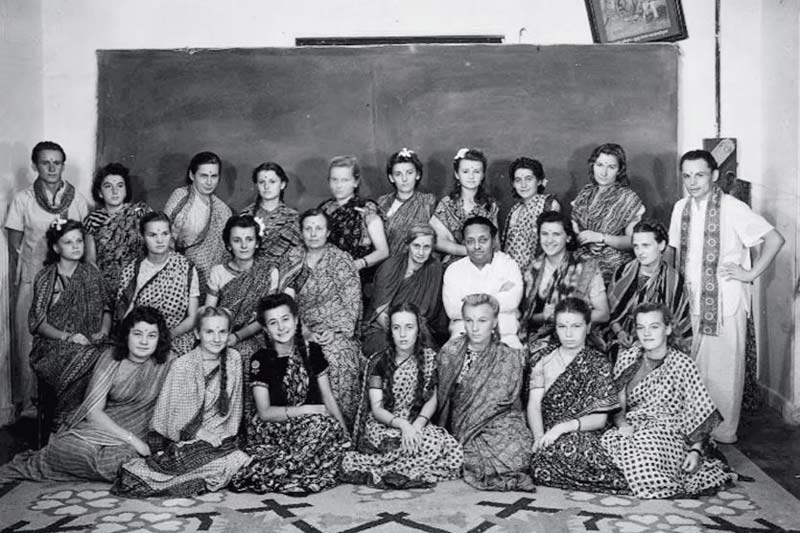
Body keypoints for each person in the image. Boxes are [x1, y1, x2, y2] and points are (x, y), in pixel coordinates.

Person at [669, 149, 784, 444]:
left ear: (715, 175)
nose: (693, 182)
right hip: (688, 300)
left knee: (721, 370)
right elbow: (673, 252)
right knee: (690, 367)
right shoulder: (681, 207)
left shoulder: (732, 207)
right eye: (687, 176)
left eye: (700, 175)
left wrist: (749, 274)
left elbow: (774, 239)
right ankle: (694, 434)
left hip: (724, 301)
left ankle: (722, 434)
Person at [0, 306, 173, 482]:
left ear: (159, 339)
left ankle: (104, 469)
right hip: (101, 428)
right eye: (137, 334)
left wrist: (137, 441)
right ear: (127, 335)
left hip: (136, 432)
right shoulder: (111, 358)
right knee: (67, 450)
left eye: (151, 335)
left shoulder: (168, 364)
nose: (144, 341)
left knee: (121, 462)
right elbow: (93, 412)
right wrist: (133, 440)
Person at [601, 303, 736, 499]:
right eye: (641, 327)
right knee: (601, 446)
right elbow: (618, 402)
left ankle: (643, 474)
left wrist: (695, 452)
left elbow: (698, 411)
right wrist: (622, 424)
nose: (646, 333)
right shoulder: (628, 357)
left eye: (654, 326)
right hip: (632, 427)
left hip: (669, 431)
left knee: (646, 453)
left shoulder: (683, 364)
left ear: (668, 328)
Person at [112, 307, 250, 497]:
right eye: (209, 331)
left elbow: (234, 412)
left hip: (221, 440)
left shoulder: (234, 359)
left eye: (222, 332)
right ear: (197, 333)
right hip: (182, 440)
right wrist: (201, 434)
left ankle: (207, 469)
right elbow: (172, 420)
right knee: (232, 462)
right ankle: (148, 475)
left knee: (238, 458)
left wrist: (222, 436)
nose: (217, 338)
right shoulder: (183, 365)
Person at [230, 293, 350, 495]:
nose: (281, 327)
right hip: (272, 428)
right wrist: (307, 409)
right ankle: (269, 472)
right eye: (273, 323)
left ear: (296, 320)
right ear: (266, 330)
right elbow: (265, 413)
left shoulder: (312, 351)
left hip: (309, 426)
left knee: (331, 429)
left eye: (285, 319)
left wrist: (345, 435)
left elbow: (328, 397)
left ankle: (290, 470)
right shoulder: (260, 359)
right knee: (322, 427)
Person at [5, 141, 90, 417]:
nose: (52, 168)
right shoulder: (23, 199)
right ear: (35, 166)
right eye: (45, 162)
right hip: (33, 279)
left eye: (57, 162)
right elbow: (16, 245)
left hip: (67, 281)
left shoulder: (76, 199)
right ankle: (30, 404)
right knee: (28, 339)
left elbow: (83, 243)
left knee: (65, 338)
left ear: (63, 165)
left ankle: (63, 405)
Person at [341, 303, 462, 489]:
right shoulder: (379, 362)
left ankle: (399, 466)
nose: (403, 334)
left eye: (409, 327)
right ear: (390, 331)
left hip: (416, 422)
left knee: (445, 445)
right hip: (386, 424)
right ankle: (403, 467)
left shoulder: (429, 358)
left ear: (418, 330)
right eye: (397, 328)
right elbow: (377, 409)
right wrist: (403, 425)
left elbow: (432, 398)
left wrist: (417, 425)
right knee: (398, 444)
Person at [527, 297, 628, 493]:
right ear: (555, 328)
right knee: (536, 458)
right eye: (562, 326)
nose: (569, 333)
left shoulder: (598, 363)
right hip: (547, 431)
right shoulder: (542, 359)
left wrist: (562, 428)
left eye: (576, 326)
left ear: (588, 327)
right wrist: (539, 437)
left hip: (582, 431)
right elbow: (534, 404)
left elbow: (599, 419)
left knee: (573, 452)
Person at [436, 294, 534, 491]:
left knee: (520, 451)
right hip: (465, 425)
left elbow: (514, 404)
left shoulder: (508, 356)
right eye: (469, 321)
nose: (475, 328)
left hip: (500, 422)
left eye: (482, 321)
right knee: (469, 457)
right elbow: (443, 399)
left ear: (494, 322)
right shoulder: (451, 352)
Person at [280, 209, 363, 429]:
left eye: (318, 228)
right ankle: (309, 429)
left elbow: (351, 302)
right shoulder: (293, 259)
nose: (313, 233)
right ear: (301, 232)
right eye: (308, 228)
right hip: (296, 329)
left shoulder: (341, 260)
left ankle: (342, 430)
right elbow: (285, 303)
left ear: (327, 232)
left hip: (336, 331)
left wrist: (333, 332)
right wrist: (304, 331)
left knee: (336, 356)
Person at [29, 219, 112, 433]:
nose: (76, 246)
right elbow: (39, 323)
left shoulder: (92, 274)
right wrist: (68, 337)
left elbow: (106, 309)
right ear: (56, 247)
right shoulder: (46, 278)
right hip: (53, 344)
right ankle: (65, 422)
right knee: (85, 360)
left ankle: (96, 424)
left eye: (79, 241)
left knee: (111, 357)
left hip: (93, 339)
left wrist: (103, 331)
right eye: (68, 242)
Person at [205, 214, 278, 422]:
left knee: (243, 355)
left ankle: (243, 422)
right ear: (228, 245)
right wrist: (218, 335)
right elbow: (209, 313)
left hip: (258, 335)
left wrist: (236, 337)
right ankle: (212, 420)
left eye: (249, 239)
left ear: (257, 243)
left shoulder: (268, 272)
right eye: (237, 240)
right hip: (220, 332)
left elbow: (267, 317)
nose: (244, 245)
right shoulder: (218, 272)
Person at [115, 212, 199, 355]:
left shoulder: (186, 267)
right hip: (141, 339)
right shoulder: (133, 270)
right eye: (152, 235)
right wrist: (146, 339)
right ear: (142, 237)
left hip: (175, 337)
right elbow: (125, 316)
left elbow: (192, 317)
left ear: (171, 234)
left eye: (165, 234)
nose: (160, 240)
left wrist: (166, 336)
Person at [521, 211, 609, 346]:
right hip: (540, 336)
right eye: (544, 234)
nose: (549, 240)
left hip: (580, 337)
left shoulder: (586, 267)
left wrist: (567, 318)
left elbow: (603, 314)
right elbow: (527, 317)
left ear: (568, 237)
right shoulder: (532, 269)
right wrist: (543, 316)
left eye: (556, 234)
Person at [606, 221, 691, 353]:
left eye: (646, 246)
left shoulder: (674, 281)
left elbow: (679, 323)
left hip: (660, 344)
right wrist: (620, 332)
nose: (640, 252)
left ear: (661, 245)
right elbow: (610, 313)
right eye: (636, 246)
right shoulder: (623, 273)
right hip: (621, 339)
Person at [362, 224, 446, 356]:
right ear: (408, 245)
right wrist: (401, 337)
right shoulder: (390, 267)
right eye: (416, 246)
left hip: (419, 331)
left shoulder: (435, 269)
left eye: (426, 247)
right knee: (389, 352)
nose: (421, 252)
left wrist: (414, 335)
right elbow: (380, 313)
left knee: (431, 357)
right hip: (385, 329)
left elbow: (434, 314)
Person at [443, 216, 523, 348]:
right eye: (470, 241)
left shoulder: (508, 265)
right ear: (464, 242)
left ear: (493, 240)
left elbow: (512, 301)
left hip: (505, 335)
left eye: (483, 240)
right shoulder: (454, 270)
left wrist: (470, 301)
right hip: (463, 335)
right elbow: (453, 310)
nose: (476, 246)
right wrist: (495, 297)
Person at [571, 143, 645, 284]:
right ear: (592, 165)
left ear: (619, 170)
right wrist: (587, 243)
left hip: (614, 269)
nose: (603, 173)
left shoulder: (628, 198)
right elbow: (574, 230)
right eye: (599, 165)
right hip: (580, 263)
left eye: (611, 167)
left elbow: (633, 241)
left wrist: (601, 238)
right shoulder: (585, 193)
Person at [164, 151, 232, 295]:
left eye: (214, 176)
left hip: (210, 282)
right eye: (203, 176)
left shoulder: (223, 210)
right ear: (191, 175)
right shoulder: (180, 197)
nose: (209, 182)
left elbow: (226, 254)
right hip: (177, 276)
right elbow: (164, 237)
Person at [319, 155, 389, 292]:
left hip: (358, 279)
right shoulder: (324, 208)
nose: (338, 185)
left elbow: (383, 251)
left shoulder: (367, 209)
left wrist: (358, 264)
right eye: (334, 180)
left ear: (356, 182)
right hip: (325, 277)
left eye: (345, 180)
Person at [83, 163, 151, 294]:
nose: (115, 191)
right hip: (104, 287)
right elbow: (90, 259)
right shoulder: (92, 220)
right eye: (108, 186)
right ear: (100, 193)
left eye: (120, 186)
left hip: (139, 284)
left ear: (126, 190)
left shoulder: (141, 213)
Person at [430, 148, 499, 265]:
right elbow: (436, 241)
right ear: (457, 174)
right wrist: (468, 251)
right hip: (453, 265)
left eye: (476, 171)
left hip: (483, 265)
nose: (471, 176)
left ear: (482, 175)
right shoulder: (447, 203)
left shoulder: (489, 205)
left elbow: (495, 244)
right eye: (465, 171)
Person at [500, 157, 560, 273]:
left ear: (538, 181)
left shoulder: (548, 204)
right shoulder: (514, 210)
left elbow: (554, 244)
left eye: (528, 179)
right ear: (513, 184)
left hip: (538, 273)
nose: (523, 185)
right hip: (512, 274)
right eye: (518, 180)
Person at [376, 149, 437, 256]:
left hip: (420, 263)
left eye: (409, 173)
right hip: (387, 265)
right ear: (391, 178)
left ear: (417, 175)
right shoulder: (382, 202)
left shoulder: (428, 201)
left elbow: (435, 240)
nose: (404, 179)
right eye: (398, 174)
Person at [241, 162, 302, 262]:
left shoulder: (293, 218)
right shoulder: (246, 215)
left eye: (272, 182)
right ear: (256, 185)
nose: (266, 186)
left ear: (282, 184)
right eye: (261, 182)